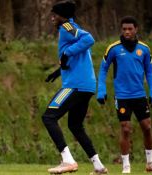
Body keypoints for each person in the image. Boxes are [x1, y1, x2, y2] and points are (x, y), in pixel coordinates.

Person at [42, 1, 107, 174]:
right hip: (86, 86)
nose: (52, 18)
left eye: (55, 15)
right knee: (75, 126)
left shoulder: (67, 26)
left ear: (63, 15)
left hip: (75, 86)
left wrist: (66, 53)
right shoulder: (72, 28)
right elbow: (76, 56)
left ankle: (68, 160)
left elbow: (89, 39)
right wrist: (58, 72)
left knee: (49, 117)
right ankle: (98, 166)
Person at [97, 16, 152, 174]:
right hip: (122, 96)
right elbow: (103, 69)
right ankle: (126, 166)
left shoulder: (144, 49)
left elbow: (149, 73)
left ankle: (150, 163)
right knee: (125, 129)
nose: (127, 32)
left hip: (139, 95)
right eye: (124, 29)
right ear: (121, 30)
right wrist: (101, 90)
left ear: (136, 29)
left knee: (147, 127)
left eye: (130, 29)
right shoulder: (113, 49)